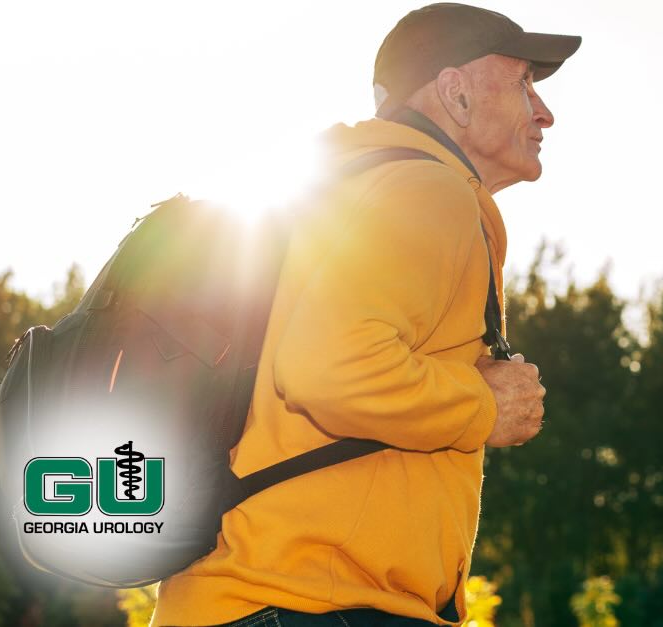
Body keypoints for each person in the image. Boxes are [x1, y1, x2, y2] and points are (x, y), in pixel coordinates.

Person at [151, 4, 581, 626]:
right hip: (319, 601)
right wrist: (483, 405)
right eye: (522, 83)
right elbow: (329, 367)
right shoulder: (427, 192)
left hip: (240, 598)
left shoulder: (341, 189)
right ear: (455, 94)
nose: (543, 112)